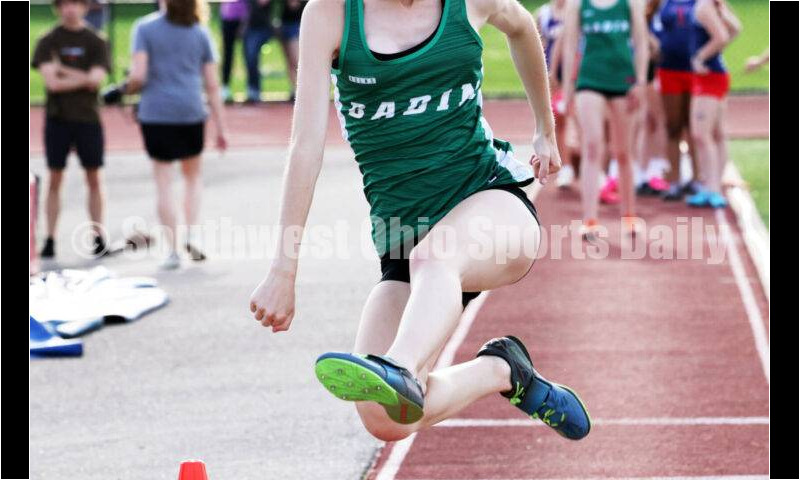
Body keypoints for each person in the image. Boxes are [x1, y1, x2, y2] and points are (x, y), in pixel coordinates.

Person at [248, 0, 591, 442]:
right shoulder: (331, 14)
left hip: (491, 203)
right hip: (404, 242)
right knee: (385, 417)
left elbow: (523, 27)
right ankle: (503, 371)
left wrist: (545, 127)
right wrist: (283, 270)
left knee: (437, 259)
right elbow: (305, 146)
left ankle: (402, 366)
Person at [108, 0, 228, 269]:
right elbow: (212, 84)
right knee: (192, 178)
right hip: (190, 111)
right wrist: (221, 127)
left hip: (156, 113)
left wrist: (121, 89)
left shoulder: (145, 28)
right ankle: (192, 234)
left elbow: (138, 76)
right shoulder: (200, 32)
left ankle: (173, 251)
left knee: (164, 182)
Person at [561, 0, 649, 238]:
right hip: (589, 81)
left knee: (623, 152)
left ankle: (629, 215)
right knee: (592, 146)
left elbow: (641, 43)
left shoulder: (630, 4)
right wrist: (568, 90)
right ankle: (590, 220)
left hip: (623, 82)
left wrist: (640, 82)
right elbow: (570, 47)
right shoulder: (578, 5)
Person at [32, 0, 111, 259]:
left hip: (88, 118)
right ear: (57, 8)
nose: (70, 9)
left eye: (75, 4)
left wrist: (64, 70)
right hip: (58, 119)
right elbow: (52, 83)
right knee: (55, 178)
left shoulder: (96, 40)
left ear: (84, 7)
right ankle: (50, 238)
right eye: (65, 4)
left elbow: (96, 80)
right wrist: (82, 77)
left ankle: (98, 236)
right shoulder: (48, 41)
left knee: (94, 177)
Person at [686, 0, 740, 208]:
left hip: (708, 76)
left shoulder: (703, 6)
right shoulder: (712, 4)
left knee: (702, 134)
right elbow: (735, 29)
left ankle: (711, 187)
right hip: (715, 73)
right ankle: (714, 183)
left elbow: (722, 36)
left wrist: (700, 57)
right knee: (716, 133)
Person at [655, 0, 702, 201]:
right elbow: (647, 23)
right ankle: (674, 180)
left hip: (694, 69)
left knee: (694, 126)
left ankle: (697, 178)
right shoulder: (663, 2)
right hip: (669, 68)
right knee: (673, 125)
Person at [243, 0, 276, 102]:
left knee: (252, 57)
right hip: (250, 27)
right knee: (249, 59)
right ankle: (252, 89)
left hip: (262, 27)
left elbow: (262, 2)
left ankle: (254, 90)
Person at [276, 0, 307, 101]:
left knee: (296, 60)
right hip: (283, 22)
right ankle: (294, 89)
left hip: (297, 22)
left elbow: (294, 4)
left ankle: (302, 91)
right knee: (289, 60)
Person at [220, 0, 249, 103]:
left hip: (245, 18)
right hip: (228, 17)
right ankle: (225, 87)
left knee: (248, 54)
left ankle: (250, 88)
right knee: (228, 55)